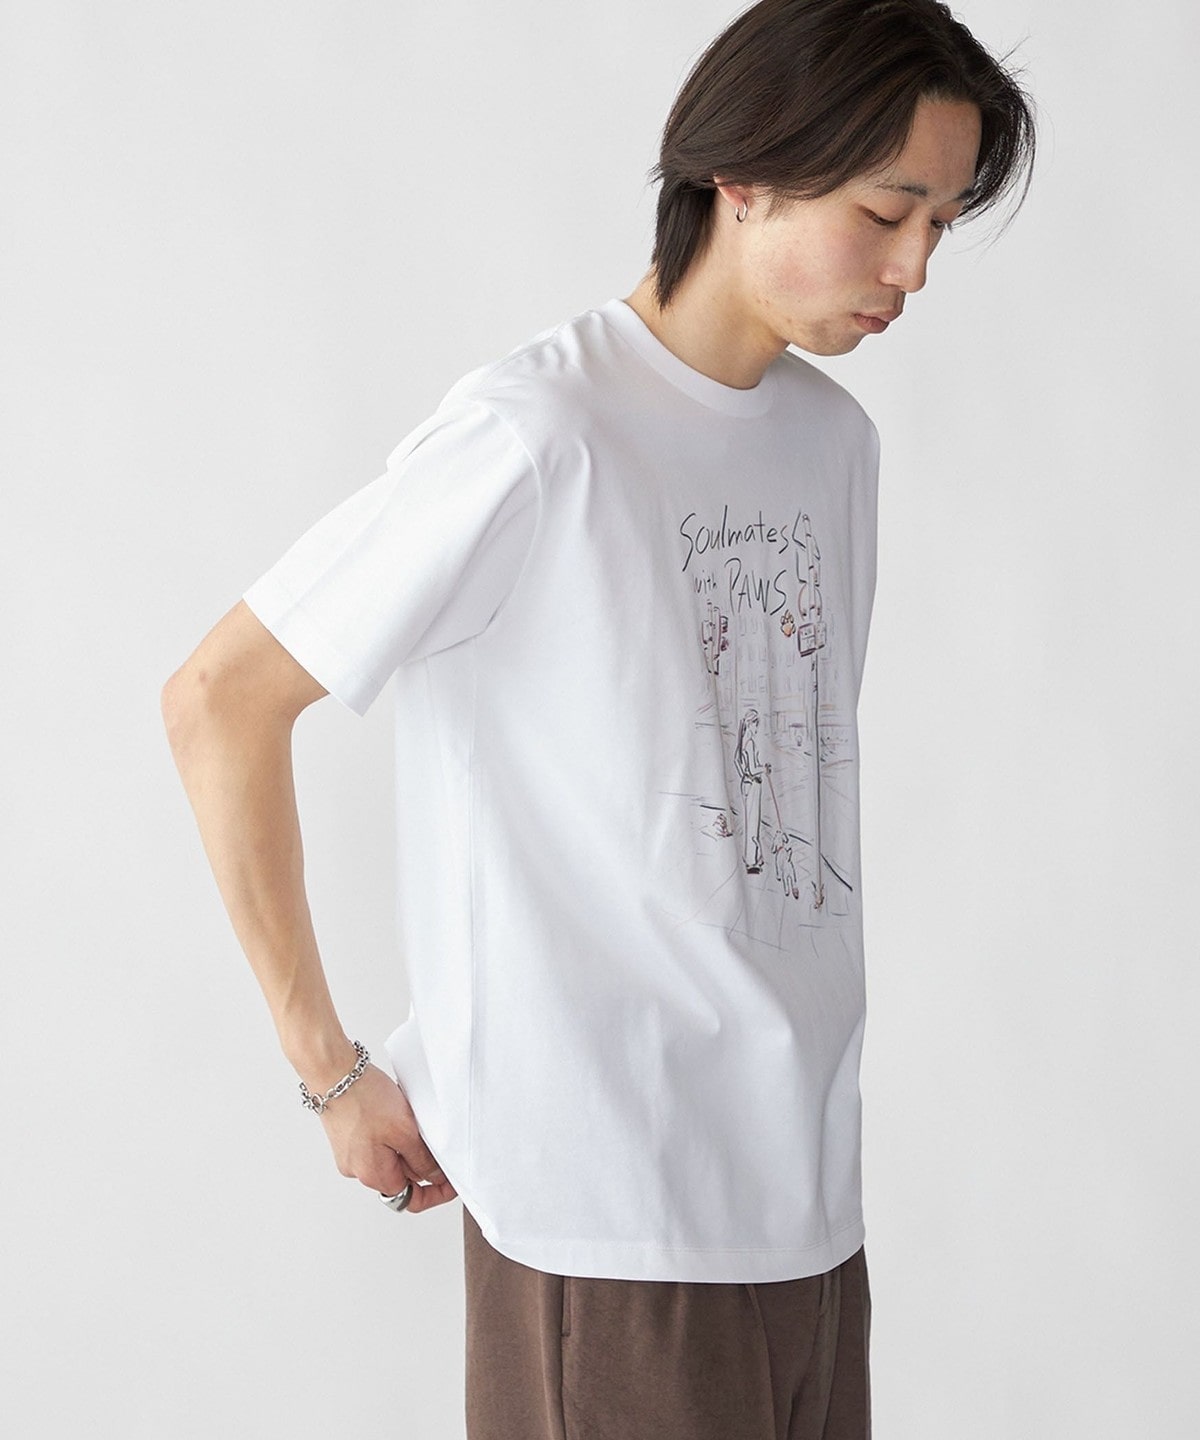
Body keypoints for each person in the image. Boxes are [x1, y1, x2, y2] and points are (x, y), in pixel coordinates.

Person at [162, 1, 1035, 1435]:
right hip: (608, 1230)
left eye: (941, 224)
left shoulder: (835, 446)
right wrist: (329, 1071)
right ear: (742, 174)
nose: (915, 268)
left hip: (809, 1218)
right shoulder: (538, 433)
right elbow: (221, 699)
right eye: (888, 213)